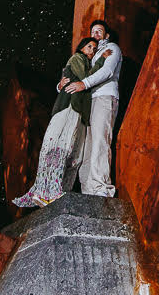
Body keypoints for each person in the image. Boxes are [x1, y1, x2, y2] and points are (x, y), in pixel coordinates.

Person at [11, 36, 99, 208]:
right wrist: (101, 61)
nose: (92, 51)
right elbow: (84, 77)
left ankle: (58, 191)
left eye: (95, 49)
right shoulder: (77, 58)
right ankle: (47, 191)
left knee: (74, 153)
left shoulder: (85, 63)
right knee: (61, 145)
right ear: (81, 47)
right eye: (89, 46)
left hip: (79, 111)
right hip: (69, 108)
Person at [62, 19, 122, 197]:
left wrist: (84, 83)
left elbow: (107, 72)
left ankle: (101, 188)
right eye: (93, 31)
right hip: (88, 102)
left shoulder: (112, 48)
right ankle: (88, 190)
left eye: (99, 31)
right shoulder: (91, 54)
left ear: (106, 35)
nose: (95, 34)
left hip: (104, 97)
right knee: (86, 147)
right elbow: (76, 70)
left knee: (99, 141)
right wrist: (61, 84)